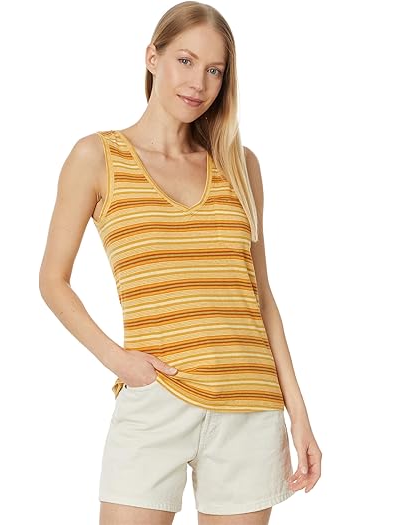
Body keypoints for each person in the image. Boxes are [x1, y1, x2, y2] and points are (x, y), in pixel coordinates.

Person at [39, 2, 321, 523]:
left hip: (249, 404)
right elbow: (53, 281)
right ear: (153, 57)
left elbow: (260, 296)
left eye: (215, 70)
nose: (198, 83)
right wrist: (118, 360)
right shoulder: (97, 157)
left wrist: (298, 413)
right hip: (156, 396)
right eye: (185, 61)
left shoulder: (240, 165)